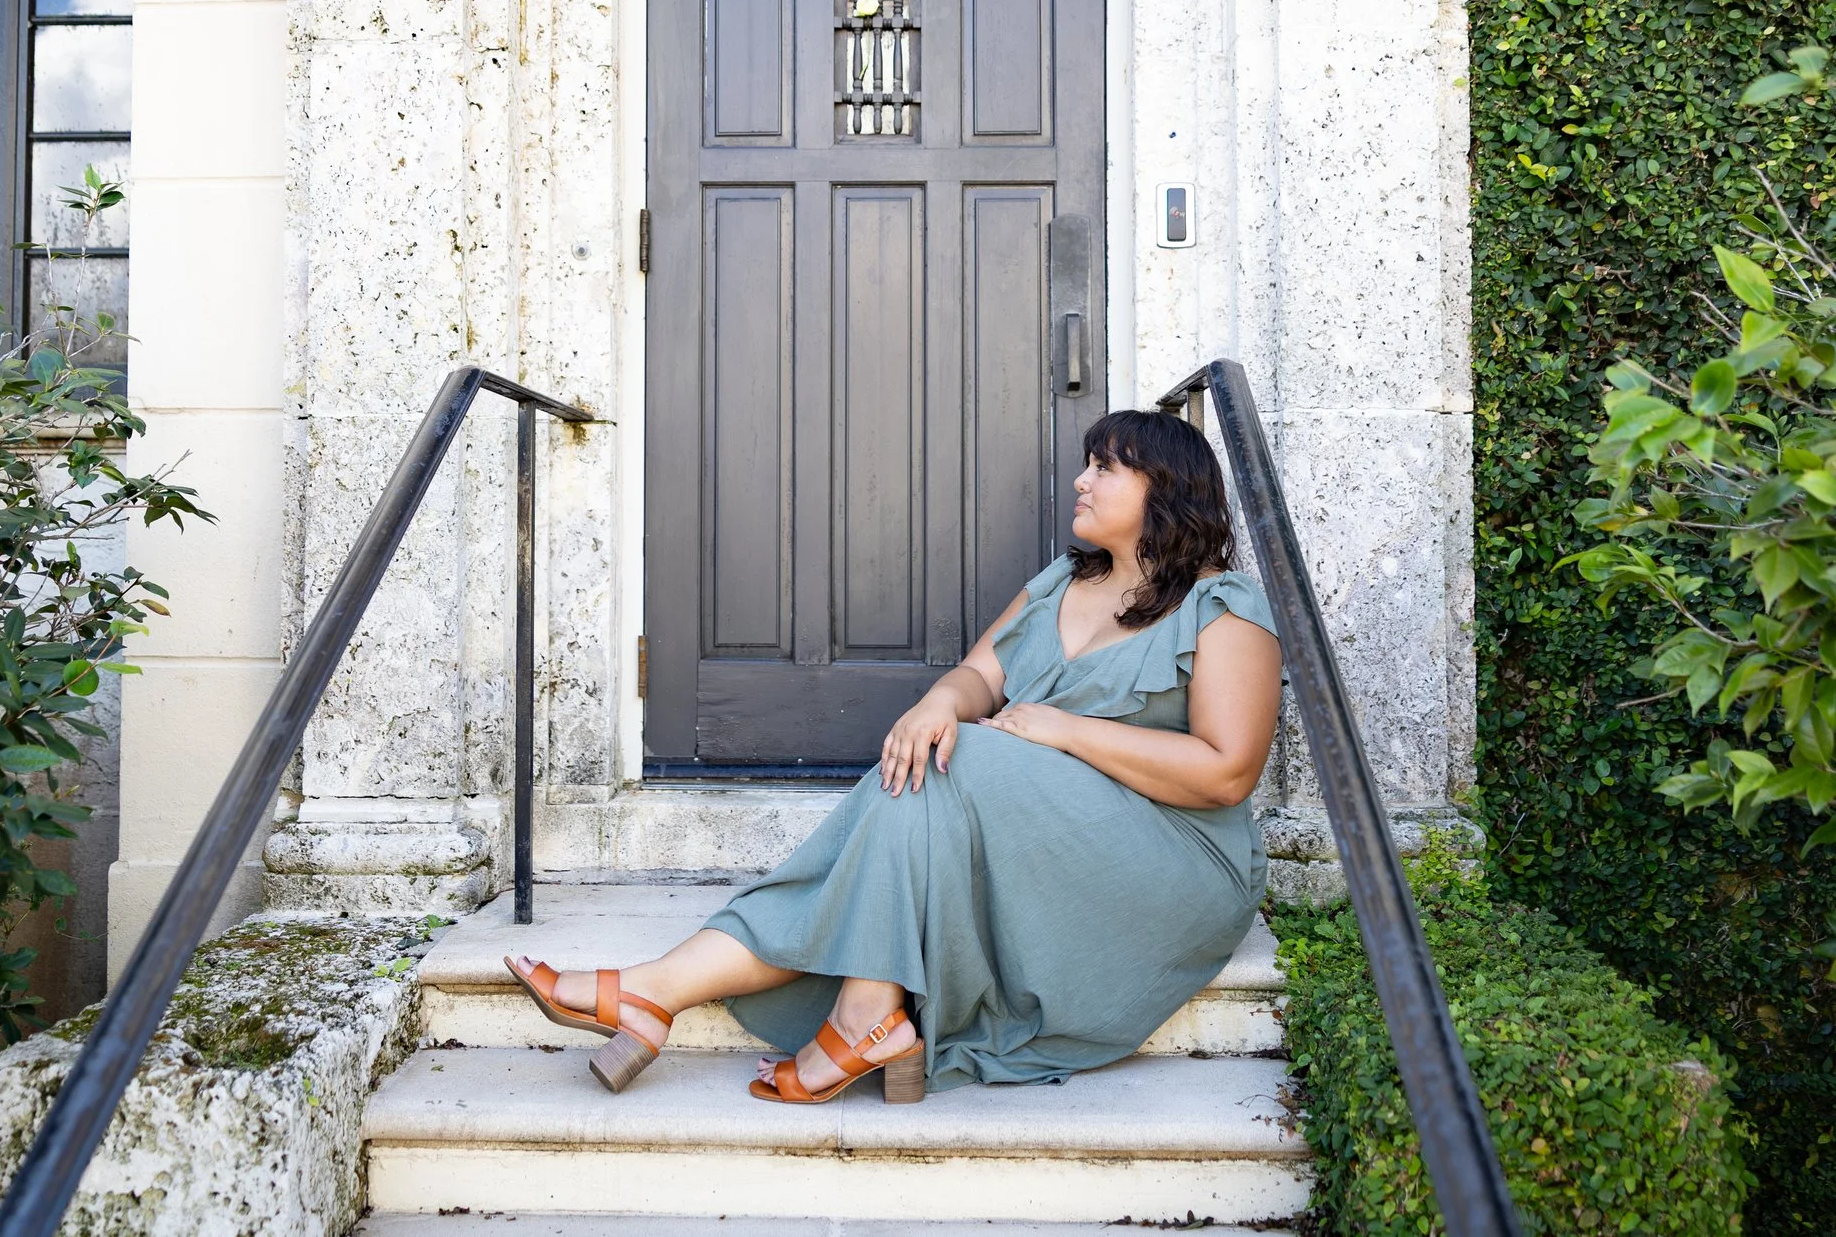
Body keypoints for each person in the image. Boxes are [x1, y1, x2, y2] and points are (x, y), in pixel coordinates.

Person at [509, 408, 1284, 1104]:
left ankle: (678, 992)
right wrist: (936, 703)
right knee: (931, 756)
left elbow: (1226, 771)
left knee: (956, 762)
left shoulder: (1223, 605)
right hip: (1035, 845)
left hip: (1171, 861)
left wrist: (1063, 728)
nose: (1080, 480)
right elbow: (982, 674)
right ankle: (836, 1011)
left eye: (1104, 466)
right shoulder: (1061, 584)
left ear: (1166, 488)